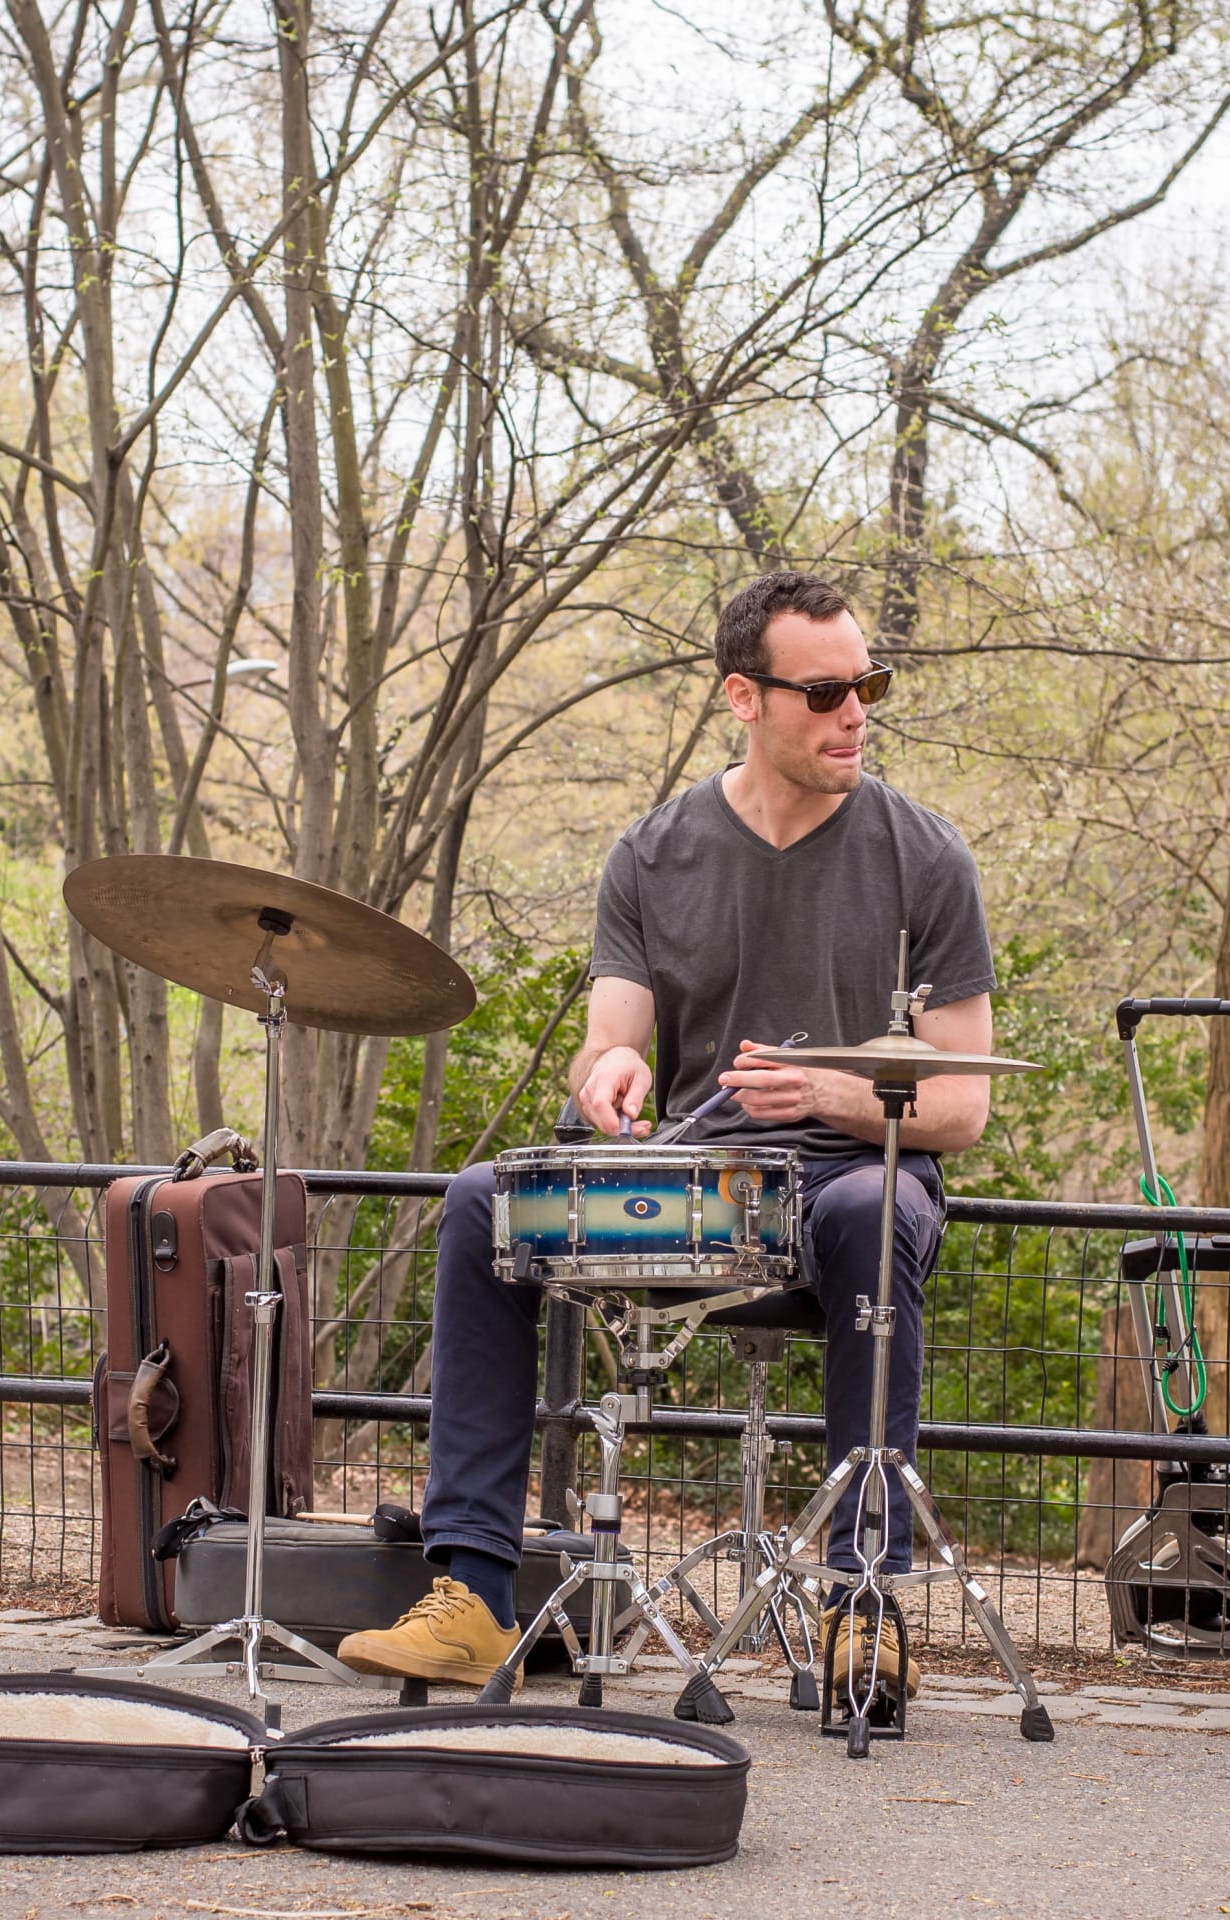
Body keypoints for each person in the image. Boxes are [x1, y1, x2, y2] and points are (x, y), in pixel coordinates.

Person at [336, 570, 997, 1710]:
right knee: (483, 1199)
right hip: (694, 1179)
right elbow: (611, 1048)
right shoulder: (651, 854)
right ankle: (474, 1595)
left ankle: (862, 1605)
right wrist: (612, 1076)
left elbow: (962, 1110)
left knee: (873, 1212)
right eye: (828, 691)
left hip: (847, 1179)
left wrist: (830, 1097)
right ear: (744, 697)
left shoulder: (926, 858)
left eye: (868, 685)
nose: (858, 714)